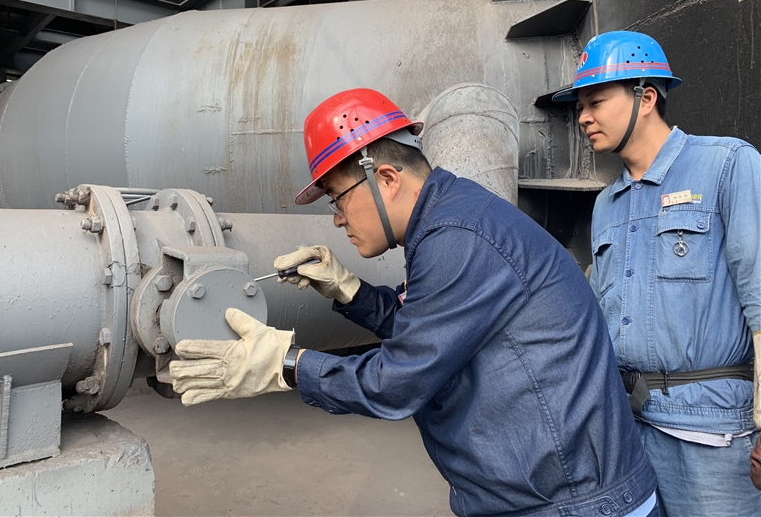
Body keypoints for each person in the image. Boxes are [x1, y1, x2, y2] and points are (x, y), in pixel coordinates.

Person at [170, 88, 659, 516]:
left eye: (338, 198)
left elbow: (396, 383)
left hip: (572, 503)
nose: (337, 219)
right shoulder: (450, 216)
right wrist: (349, 290)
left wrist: (286, 363)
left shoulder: (457, 238)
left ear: (386, 178)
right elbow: (431, 330)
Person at [552, 31, 761, 515]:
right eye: (579, 107)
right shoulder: (607, 205)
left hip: (712, 439)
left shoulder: (727, 165)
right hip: (630, 436)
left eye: (596, 102)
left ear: (646, 97)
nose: (583, 118)